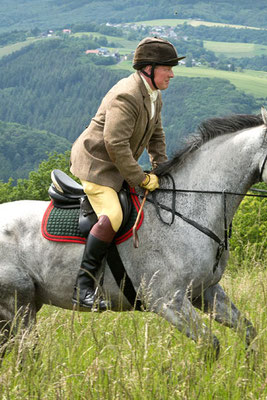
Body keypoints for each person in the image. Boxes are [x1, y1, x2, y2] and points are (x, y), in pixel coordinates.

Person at [69, 37, 184, 310]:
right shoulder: (127, 95)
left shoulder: (153, 95)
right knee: (115, 215)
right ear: (148, 68)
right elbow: (115, 144)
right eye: (167, 67)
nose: (172, 73)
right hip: (97, 165)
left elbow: (157, 135)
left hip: (117, 162)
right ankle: (82, 286)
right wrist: (141, 179)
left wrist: (162, 169)